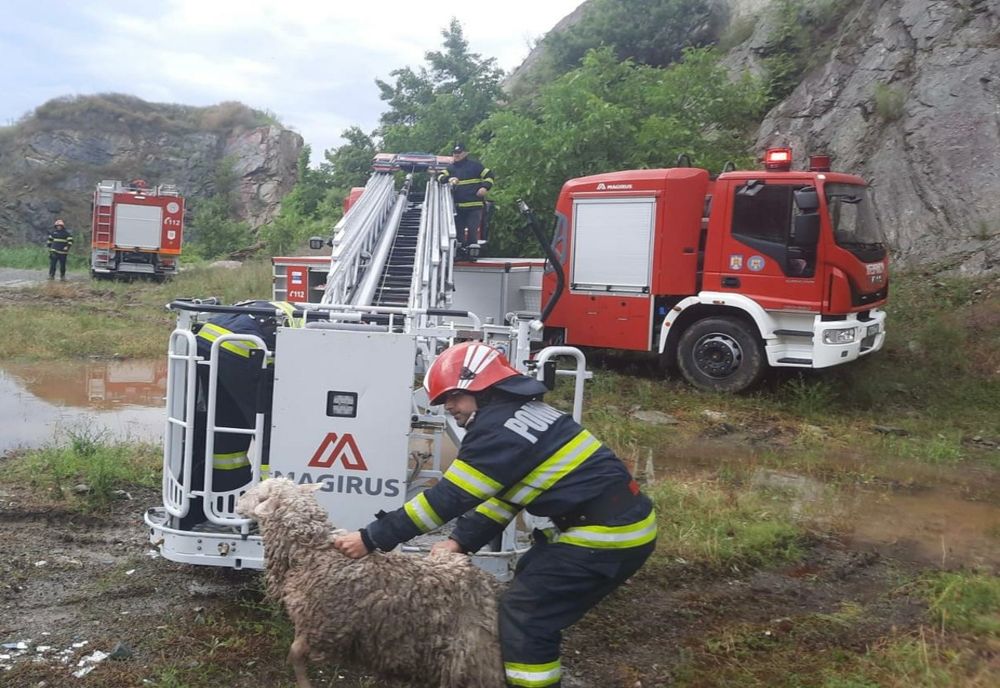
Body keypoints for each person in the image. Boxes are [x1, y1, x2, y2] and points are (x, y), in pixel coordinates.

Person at [335, 341, 657, 688]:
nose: (450, 408)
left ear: (483, 387)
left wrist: (370, 538)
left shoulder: (496, 430)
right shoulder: (520, 414)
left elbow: (444, 501)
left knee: (526, 615)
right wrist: (460, 541)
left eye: (454, 396)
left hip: (604, 537)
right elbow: (504, 496)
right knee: (530, 582)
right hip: (613, 527)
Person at [180, 300, 302, 529]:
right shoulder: (325, 329)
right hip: (246, 348)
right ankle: (269, 513)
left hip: (208, 341)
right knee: (274, 431)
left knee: (226, 431)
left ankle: (226, 505)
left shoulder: (298, 314)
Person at [438, 143, 494, 247]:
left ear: (465, 153)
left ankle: (472, 253)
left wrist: (485, 187)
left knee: (473, 230)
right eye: (454, 153)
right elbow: (440, 176)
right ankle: (461, 253)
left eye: (459, 153)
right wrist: (449, 179)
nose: (456, 155)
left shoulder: (475, 166)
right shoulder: (451, 168)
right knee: (459, 232)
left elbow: (490, 176)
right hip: (458, 207)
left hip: (474, 206)